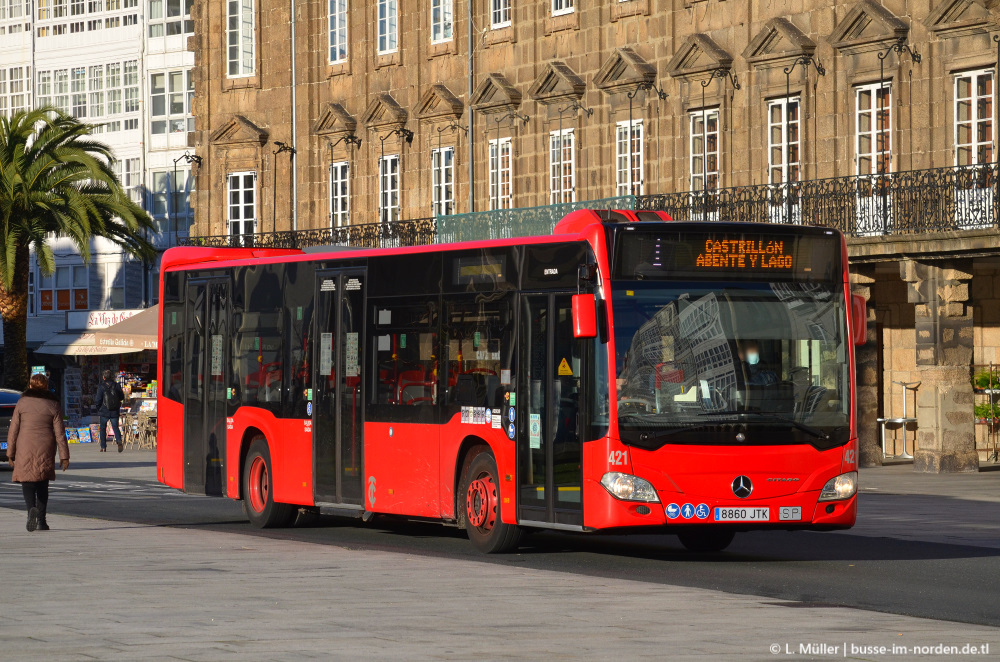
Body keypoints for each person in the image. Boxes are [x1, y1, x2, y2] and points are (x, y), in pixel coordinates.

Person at [7, 373, 70, 532]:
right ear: (46, 386)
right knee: (42, 482)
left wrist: (10, 452)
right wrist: (64, 456)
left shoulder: (22, 403)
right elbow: (60, 432)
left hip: (25, 444)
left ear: (31, 386)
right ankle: (42, 521)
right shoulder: (53, 404)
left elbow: (13, 429)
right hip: (46, 445)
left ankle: (30, 510)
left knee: (27, 480)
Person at [95, 369, 125, 453]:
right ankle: (119, 440)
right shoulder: (117, 385)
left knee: (103, 428)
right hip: (114, 410)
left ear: (103, 377)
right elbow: (122, 397)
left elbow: (98, 399)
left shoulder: (101, 386)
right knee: (115, 427)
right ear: (111, 377)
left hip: (104, 410)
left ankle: (103, 447)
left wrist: (98, 408)